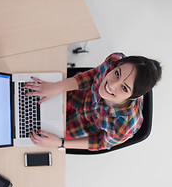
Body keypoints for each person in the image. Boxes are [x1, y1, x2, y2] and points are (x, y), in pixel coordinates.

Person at [24, 52, 162, 151]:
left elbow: (101, 142)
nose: (112, 85)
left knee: (30, 136)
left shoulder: (126, 125)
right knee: (27, 104)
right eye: (117, 73)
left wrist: (60, 143)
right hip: (74, 96)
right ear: (116, 66)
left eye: (124, 88)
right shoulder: (113, 60)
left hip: (79, 126)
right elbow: (93, 75)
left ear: (133, 97)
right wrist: (57, 87)